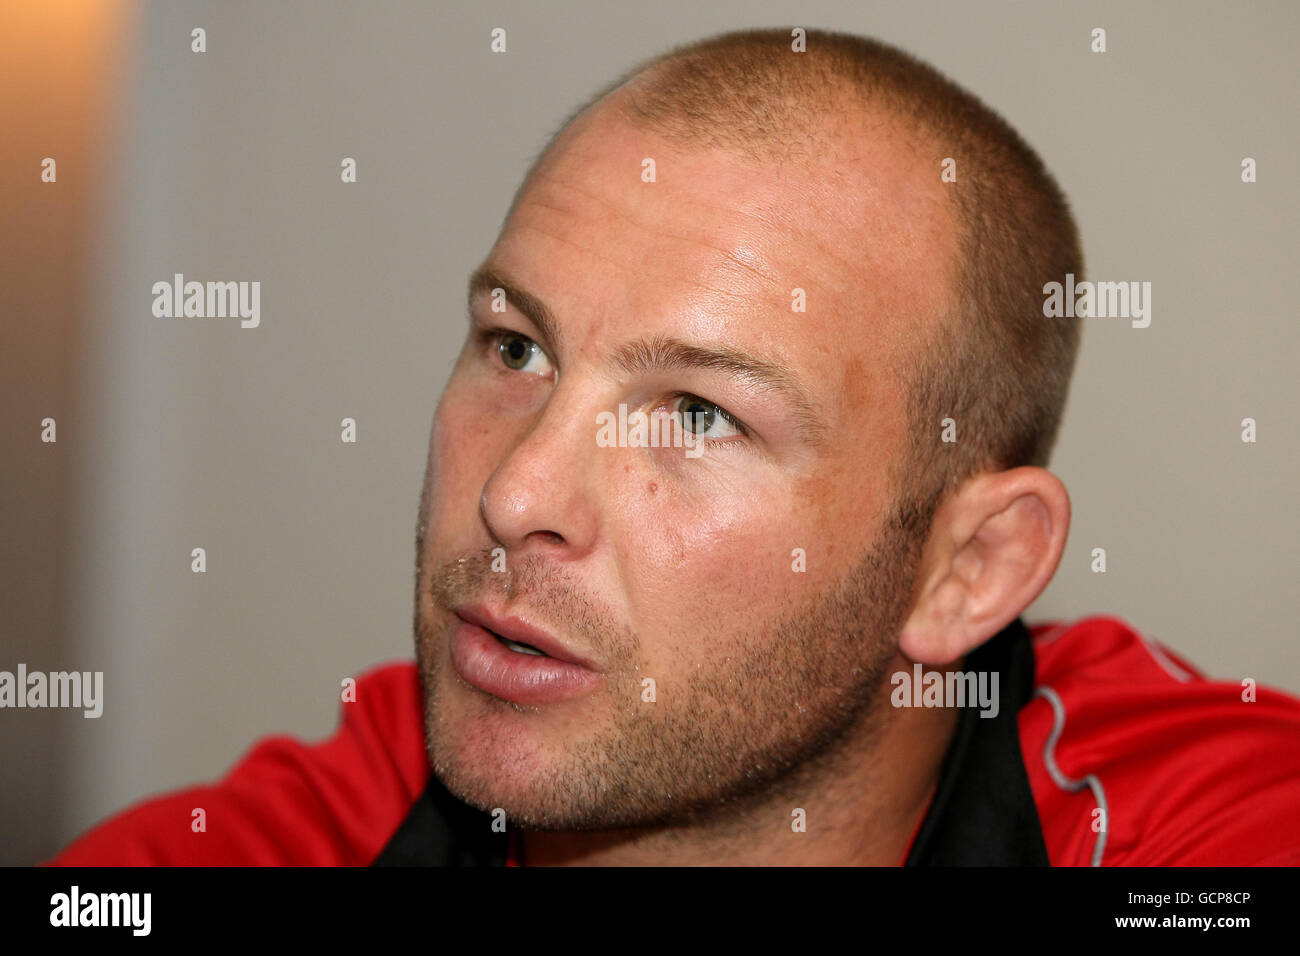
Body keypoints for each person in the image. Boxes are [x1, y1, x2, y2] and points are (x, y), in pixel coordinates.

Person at [48, 27, 1300, 867]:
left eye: (701, 414)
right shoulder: (316, 826)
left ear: (964, 569)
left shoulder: (1189, 829)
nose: (513, 491)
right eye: (515, 347)